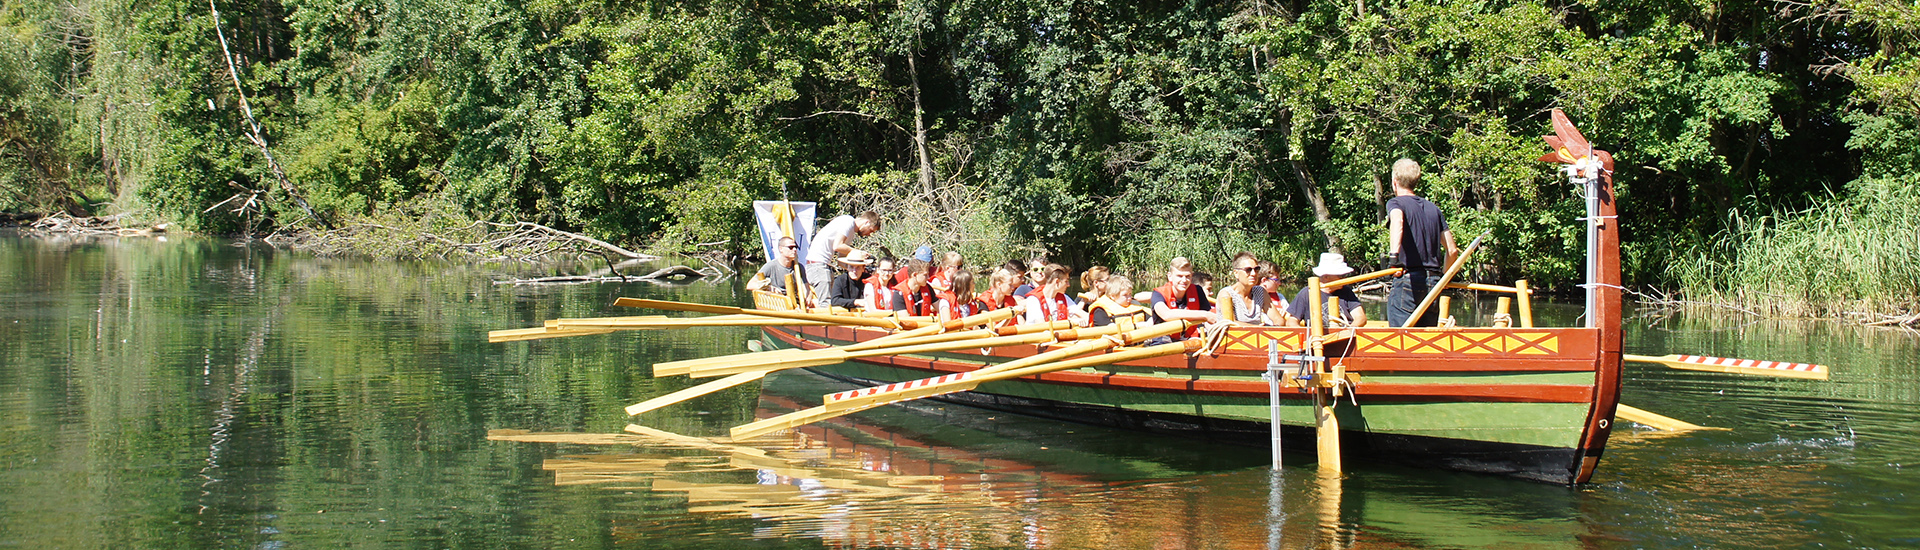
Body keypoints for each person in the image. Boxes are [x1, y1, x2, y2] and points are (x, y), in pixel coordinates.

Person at [1383, 158, 1459, 327]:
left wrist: (1393, 259)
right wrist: (1444, 279)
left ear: (1394, 182)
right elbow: (1452, 250)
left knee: (1400, 340)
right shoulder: (1433, 208)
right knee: (1426, 341)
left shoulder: (1395, 203)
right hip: (1433, 283)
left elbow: (1398, 221)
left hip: (1407, 280)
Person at [805, 211, 882, 306]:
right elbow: (837, 246)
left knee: (831, 304)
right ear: (867, 222)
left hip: (824, 266)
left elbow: (841, 261)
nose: (869, 234)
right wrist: (857, 252)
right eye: (870, 230)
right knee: (826, 304)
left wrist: (861, 269)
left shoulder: (850, 233)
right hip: (818, 265)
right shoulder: (848, 221)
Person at [1284, 253, 1368, 327]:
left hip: (1346, 337)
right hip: (1316, 339)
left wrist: (1348, 331)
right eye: (1340, 276)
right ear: (1326, 277)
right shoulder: (1307, 293)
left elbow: (1360, 317)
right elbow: (1291, 321)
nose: (1345, 279)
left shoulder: (1346, 291)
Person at [1149, 257, 1222, 336]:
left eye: (1188, 276)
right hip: (1164, 340)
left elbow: (1209, 317)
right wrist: (1204, 315)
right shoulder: (1158, 294)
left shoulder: (1198, 291)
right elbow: (1166, 314)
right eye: (1179, 276)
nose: (1184, 280)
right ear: (1170, 276)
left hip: (1190, 339)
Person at [1215, 251, 1271, 325]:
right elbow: (1231, 324)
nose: (1253, 273)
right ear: (1236, 273)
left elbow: (1278, 320)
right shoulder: (1226, 294)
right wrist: (1258, 329)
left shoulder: (1261, 292)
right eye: (1248, 270)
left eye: (1256, 269)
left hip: (1259, 334)